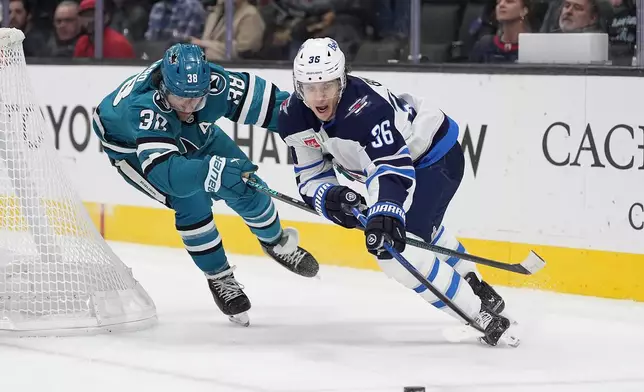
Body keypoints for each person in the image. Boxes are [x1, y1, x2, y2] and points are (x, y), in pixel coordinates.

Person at [277, 37, 512, 346]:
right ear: (298, 86)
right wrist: (331, 198)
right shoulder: (292, 117)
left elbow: (391, 167)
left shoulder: (365, 109)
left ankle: (478, 314)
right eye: (310, 87)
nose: (319, 96)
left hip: (434, 158)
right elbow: (310, 177)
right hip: (408, 166)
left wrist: (386, 209)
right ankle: (477, 288)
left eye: (328, 86)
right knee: (413, 231)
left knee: (392, 248)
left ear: (342, 80)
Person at [92, 43, 319, 327]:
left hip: (188, 131)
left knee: (247, 185)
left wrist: (318, 134)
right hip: (129, 147)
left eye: (196, 99)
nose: (189, 106)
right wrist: (213, 171)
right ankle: (219, 276)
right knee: (190, 200)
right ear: (164, 87)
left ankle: (276, 242)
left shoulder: (215, 83)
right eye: (181, 98)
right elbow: (167, 174)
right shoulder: (144, 107)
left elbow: (276, 108)